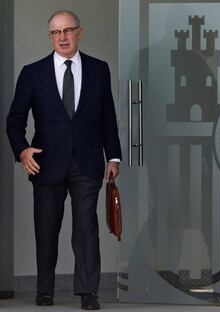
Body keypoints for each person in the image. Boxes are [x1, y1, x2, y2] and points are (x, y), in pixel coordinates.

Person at [6, 10, 122, 310]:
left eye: (68, 30)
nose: (62, 37)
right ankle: (44, 290)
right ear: (50, 37)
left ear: (79, 33)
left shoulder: (99, 69)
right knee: (46, 229)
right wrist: (22, 151)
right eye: (56, 32)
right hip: (46, 162)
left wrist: (114, 156)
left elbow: (107, 115)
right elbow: (14, 120)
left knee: (86, 228)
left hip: (88, 161)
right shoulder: (33, 73)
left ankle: (88, 293)